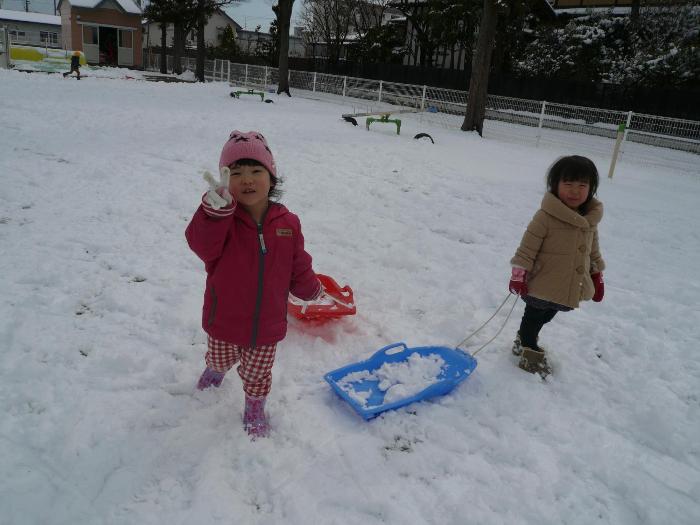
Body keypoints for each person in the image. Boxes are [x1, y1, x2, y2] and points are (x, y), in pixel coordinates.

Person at [185, 131, 322, 439]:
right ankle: (215, 370)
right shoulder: (221, 219)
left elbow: (298, 262)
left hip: (267, 323)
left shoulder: (288, 224)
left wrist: (309, 288)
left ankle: (255, 405)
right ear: (224, 180)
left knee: (257, 372)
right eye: (236, 173)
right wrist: (213, 214)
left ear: (271, 178)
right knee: (221, 358)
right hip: (225, 317)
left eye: (256, 171)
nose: (247, 180)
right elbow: (201, 245)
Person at [508, 155, 605, 377]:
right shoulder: (546, 216)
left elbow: (593, 250)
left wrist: (597, 275)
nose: (575, 191)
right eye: (568, 184)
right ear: (555, 185)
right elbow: (527, 247)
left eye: (582, 185)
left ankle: (523, 340)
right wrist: (518, 274)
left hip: (567, 284)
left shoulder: (589, 220)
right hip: (542, 282)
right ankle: (529, 351)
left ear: (590, 189)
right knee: (533, 316)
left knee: (548, 315)